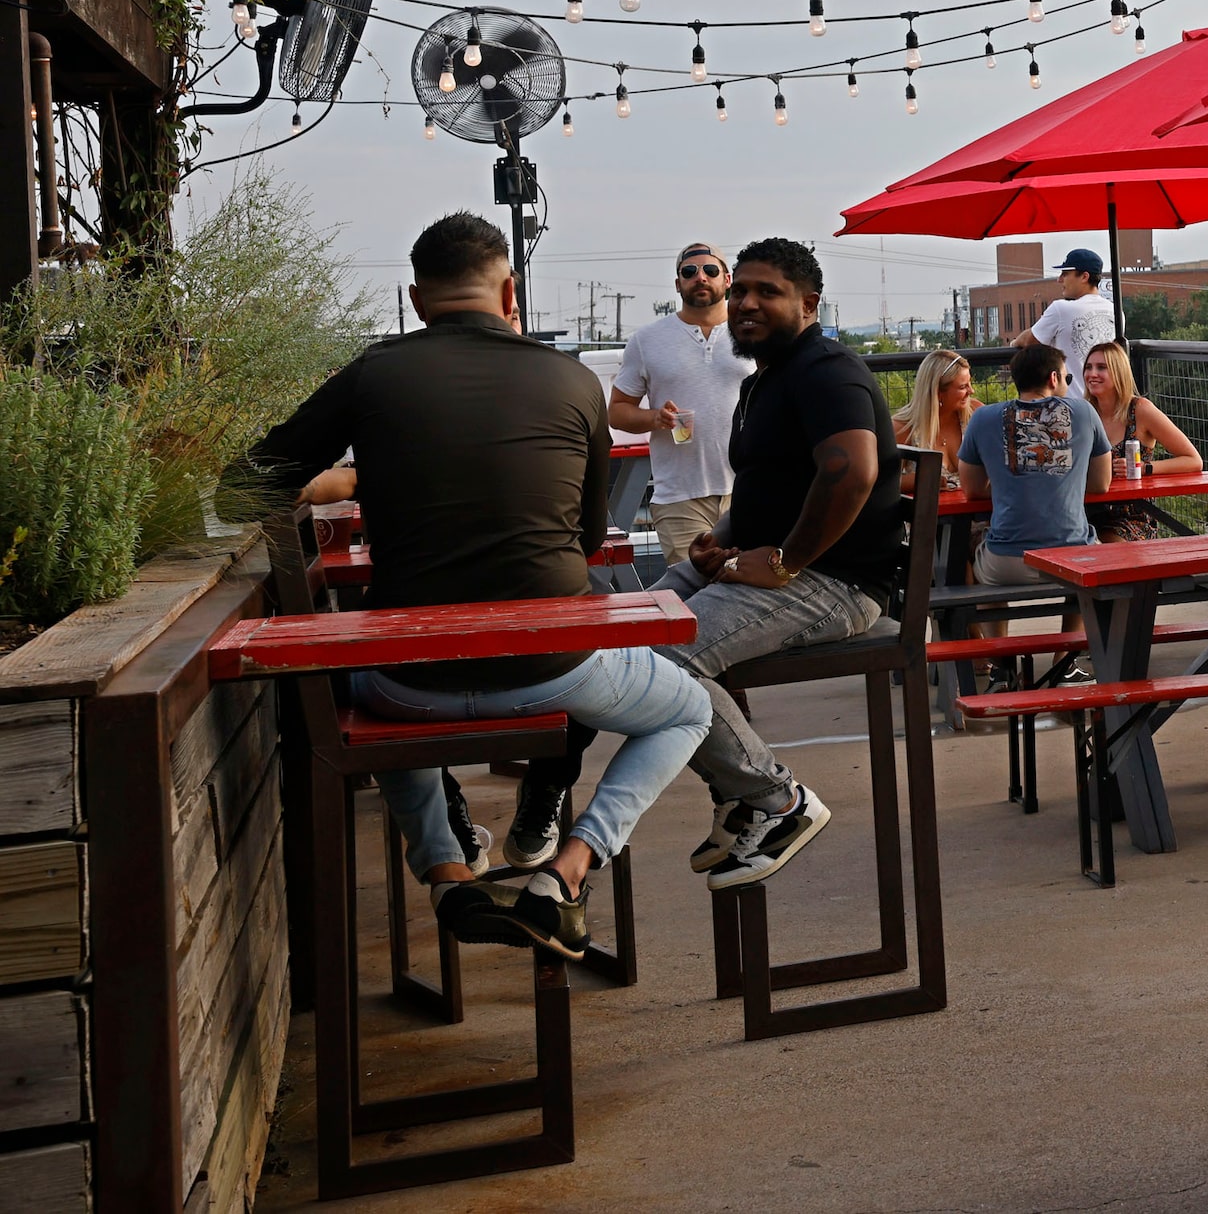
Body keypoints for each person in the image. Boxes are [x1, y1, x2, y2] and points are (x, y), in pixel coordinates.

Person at [245, 214, 711, 958]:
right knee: (687, 709)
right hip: (552, 673)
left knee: (373, 663)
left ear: (416, 297)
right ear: (509, 291)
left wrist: (355, 480)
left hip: (405, 683)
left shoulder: (373, 373)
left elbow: (248, 481)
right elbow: (588, 537)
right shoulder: (571, 380)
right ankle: (565, 873)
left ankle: (448, 871)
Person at [654, 239, 913, 890]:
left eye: (765, 292)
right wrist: (721, 538)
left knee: (664, 659)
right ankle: (741, 799)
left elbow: (852, 471)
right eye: (740, 290)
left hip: (836, 581)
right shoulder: (770, 376)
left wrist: (787, 560)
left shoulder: (827, 371)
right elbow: (771, 483)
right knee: (627, 636)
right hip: (762, 560)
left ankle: (777, 801)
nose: (744, 302)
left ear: (808, 303)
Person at [608, 243, 755, 565]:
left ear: (727, 280)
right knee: (693, 592)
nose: (700, 277)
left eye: (710, 270)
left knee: (749, 590)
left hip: (749, 488)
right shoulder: (646, 340)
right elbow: (617, 411)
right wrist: (654, 418)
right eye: (689, 272)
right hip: (679, 497)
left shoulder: (752, 332)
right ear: (678, 284)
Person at [956, 340, 1111, 590]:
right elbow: (1101, 484)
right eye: (1066, 378)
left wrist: (1015, 484)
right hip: (1074, 558)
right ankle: (1074, 630)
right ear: (1053, 378)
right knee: (1088, 576)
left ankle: (994, 630)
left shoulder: (982, 417)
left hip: (1005, 564)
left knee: (970, 553)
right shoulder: (1084, 411)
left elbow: (972, 490)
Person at [1081, 341, 1203, 538]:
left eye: (1101, 367)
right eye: (1088, 367)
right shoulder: (1084, 412)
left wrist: (1144, 467)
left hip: (1132, 516)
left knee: (1103, 548)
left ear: (1119, 372)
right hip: (1086, 512)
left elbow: (1193, 461)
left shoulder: (1140, 410)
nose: (1092, 374)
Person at [1012, 247, 1116, 401]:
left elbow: (1030, 340)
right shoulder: (1116, 312)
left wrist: (1015, 341)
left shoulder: (1061, 309)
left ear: (1084, 277)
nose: (1059, 279)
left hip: (1071, 406)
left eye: (1065, 274)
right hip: (1106, 404)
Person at [892, 347, 976, 486]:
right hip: (929, 507)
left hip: (979, 507)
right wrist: (923, 480)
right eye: (963, 387)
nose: (971, 391)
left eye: (970, 383)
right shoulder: (903, 428)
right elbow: (883, 485)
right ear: (938, 392)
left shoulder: (975, 414)